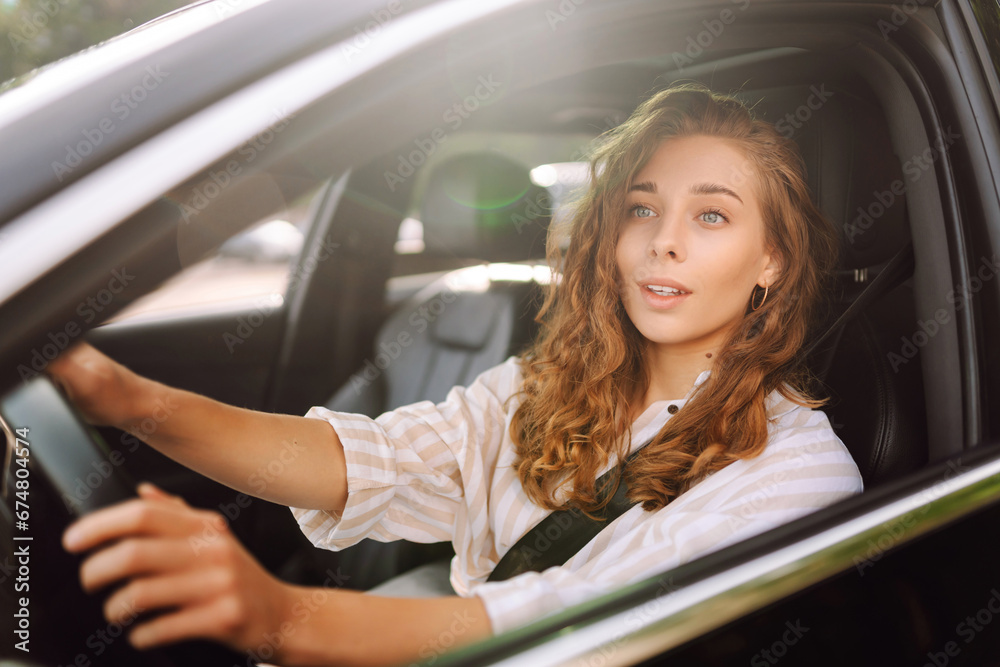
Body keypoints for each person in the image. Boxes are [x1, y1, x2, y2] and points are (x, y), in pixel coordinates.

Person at [48, 83, 863, 666]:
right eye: (642, 207)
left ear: (773, 260)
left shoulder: (796, 474)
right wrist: (125, 398)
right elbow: (369, 460)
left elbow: (575, 625)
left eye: (711, 214)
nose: (664, 241)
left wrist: (282, 615)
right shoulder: (542, 382)